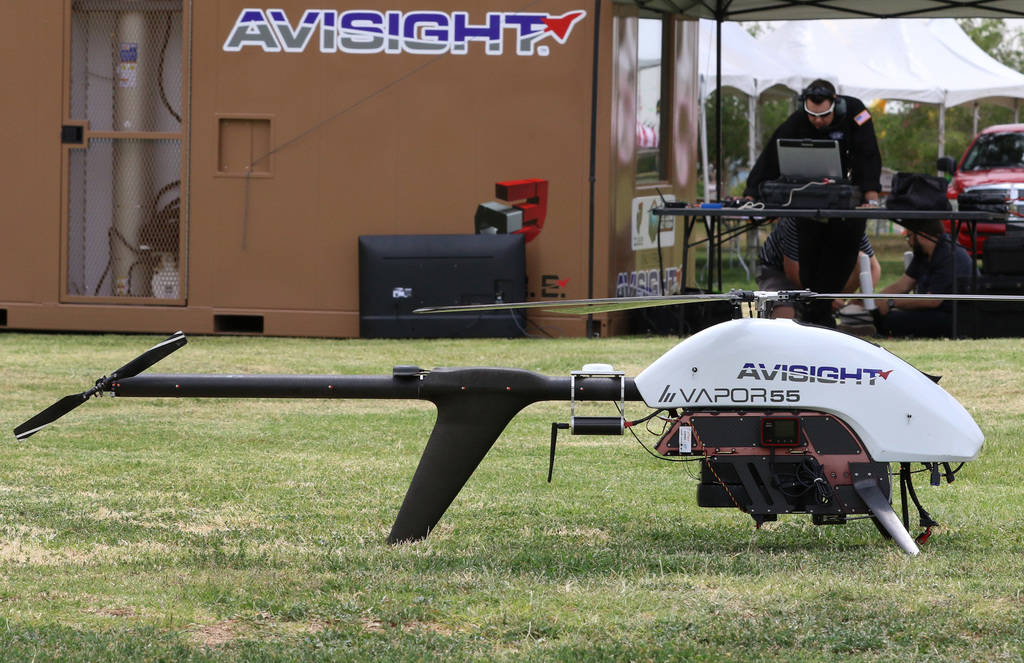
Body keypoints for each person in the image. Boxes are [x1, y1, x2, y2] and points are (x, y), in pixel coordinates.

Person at [745, 79, 882, 326]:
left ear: (836, 106)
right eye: (811, 115)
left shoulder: (856, 114)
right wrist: (751, 192)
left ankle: (822, 310)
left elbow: (868, 154)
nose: (818, 121)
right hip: (805, 220)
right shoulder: (800, 120)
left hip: (844, 207)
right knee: (800, 295)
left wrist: (870, 195)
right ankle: (815, 311)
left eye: (824, 115)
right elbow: (770, 155)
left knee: (838, 263)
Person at [756, 217, 881, 320]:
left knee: (860, 257)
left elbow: (873, 267)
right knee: (784, 320)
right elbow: (792, 274)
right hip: (778, 269)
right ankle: (811, 309)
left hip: (820, 270)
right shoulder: (794, 220)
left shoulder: (848, 220)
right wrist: (823, 300)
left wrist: (858, 300)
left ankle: (830, 309)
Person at [872, 220, 977, 338]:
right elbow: (903, 285)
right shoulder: (923, 254)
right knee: (888, 317)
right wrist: (875, 300)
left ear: (922, 235)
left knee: (894, 319)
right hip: (937, 311)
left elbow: (933, 300)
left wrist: (891, 302)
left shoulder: (949, 254)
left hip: (954, 316)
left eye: (909, 236)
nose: (909, 242)